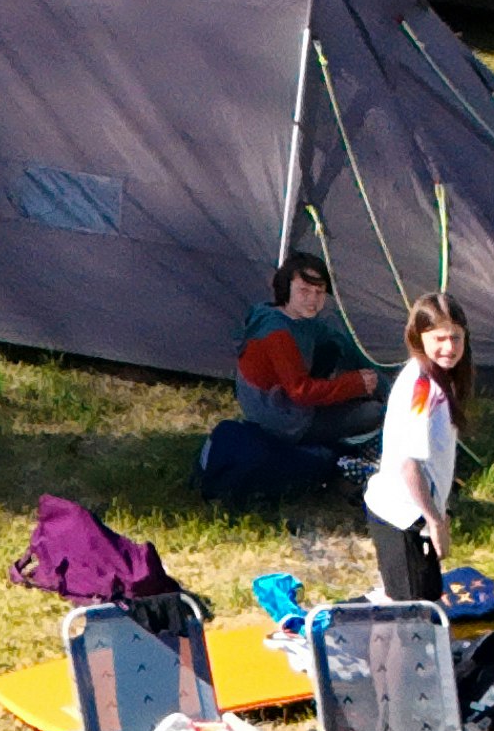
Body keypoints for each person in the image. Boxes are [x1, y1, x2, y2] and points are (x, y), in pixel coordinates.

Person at [198, 255, 381, 507]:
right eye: (304, 291)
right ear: (286, 288)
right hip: (283, 420)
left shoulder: (284, 316)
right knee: (373, 413)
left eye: (319, 292)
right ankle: (348, 460)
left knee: (335, 346)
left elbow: (334, 339)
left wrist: (366, 368)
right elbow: (301, 392)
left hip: (277, 405)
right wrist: (355, 384)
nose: (313, 299)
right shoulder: (278, 334)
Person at [365, 296, 470, 606]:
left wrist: (439, 511)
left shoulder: (441, 379)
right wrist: (435, 521)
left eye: (456, 337)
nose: (449, 347)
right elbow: (408, 465)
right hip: (401, 516)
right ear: (417, 337)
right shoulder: (422, 389)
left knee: (424, 605)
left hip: (418, 513)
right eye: (439, 338)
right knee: (413, 613)